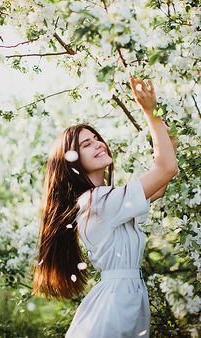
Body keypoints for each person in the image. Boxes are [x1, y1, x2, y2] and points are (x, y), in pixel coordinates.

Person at [32, 76, 178, 338]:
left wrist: (169, 141)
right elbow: (166, 169)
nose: (98, 143)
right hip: (116, 304)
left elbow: (160, 187)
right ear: (73, 163)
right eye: (86, 145)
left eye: (96, 138)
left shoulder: (105, 199)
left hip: (123, 297)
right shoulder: (97, 202)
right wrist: (150, 112)